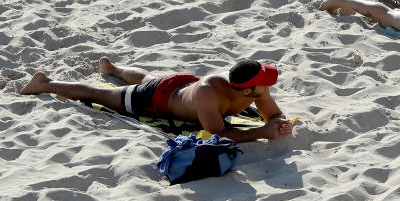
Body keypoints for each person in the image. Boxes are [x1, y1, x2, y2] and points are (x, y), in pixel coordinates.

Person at [20, 58, 294, 143]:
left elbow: (274, 114)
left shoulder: (256, 88)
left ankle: (114, 69)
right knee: (102, 95)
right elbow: (216, 134)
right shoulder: (210, 92)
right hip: (158, 99)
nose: (270, 85)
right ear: (247, 91)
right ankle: (44, 83)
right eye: (265, 81)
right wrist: (261, 132)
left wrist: (279, 124)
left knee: (149, 75)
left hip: (181, 84)